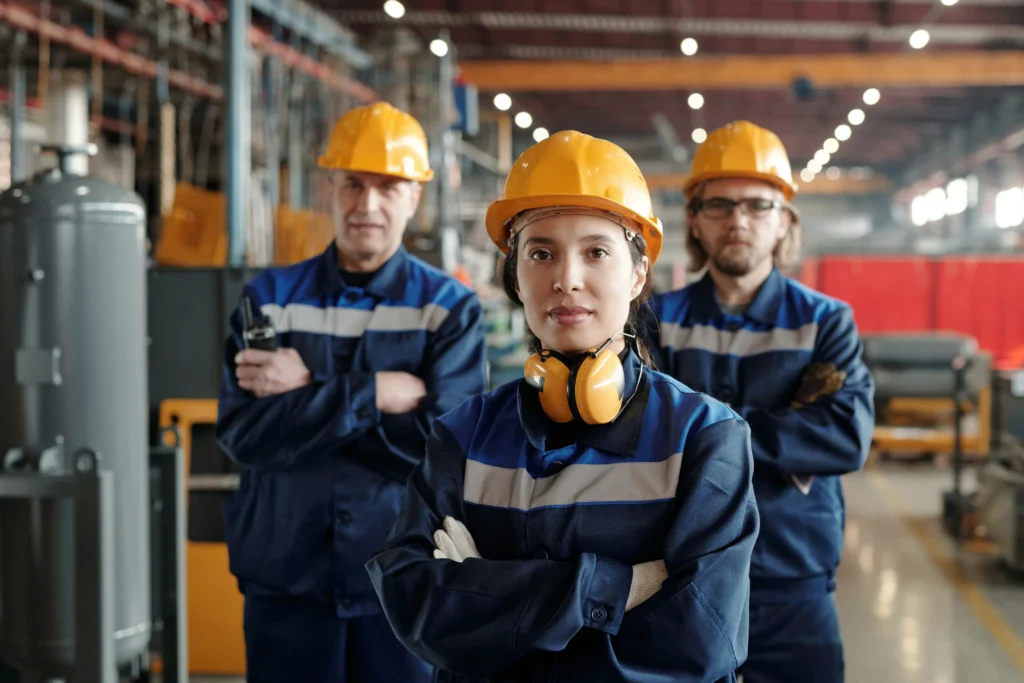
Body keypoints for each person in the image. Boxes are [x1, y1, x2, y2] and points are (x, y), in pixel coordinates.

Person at [365, 131, 760, 682]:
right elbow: (415, 602)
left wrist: (488, 588)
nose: (566, 279)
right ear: (516, 277)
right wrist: (613, 590)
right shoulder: (464, 435)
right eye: (541, 252)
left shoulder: (703, 437)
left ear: (638, 273)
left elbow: (697, 641)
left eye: (596, 251)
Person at [215, 101, 488, 683]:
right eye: (354, 185)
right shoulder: (267, 299)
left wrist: (310, 393)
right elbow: (246, 435)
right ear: (328, 188)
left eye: (389, 187)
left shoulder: (447, 309)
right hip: (286, 580)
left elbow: (444, 454)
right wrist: (377, 393)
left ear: (415, 197)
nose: (368, 205)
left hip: (402, 580)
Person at [644, 121, 875, 683]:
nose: (738, 220)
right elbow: (639, 440)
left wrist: (702, 440)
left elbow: (844, 435)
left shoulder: (825, 321)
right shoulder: (657, 320)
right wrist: (782, 433)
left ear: (783, 221)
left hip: (792, 573)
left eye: (757, 205)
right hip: (681, 573)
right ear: (694, 219)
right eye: (719, 204)